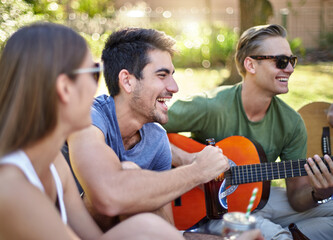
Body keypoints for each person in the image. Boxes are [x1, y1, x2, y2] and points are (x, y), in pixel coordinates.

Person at [0, 22, 186, 240]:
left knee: (145, 228)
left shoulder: (53, 165)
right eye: (95, 73)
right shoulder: (11, 188)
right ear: (64, 88)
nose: (100, 91)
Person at [163, 24, 333, 240]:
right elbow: (141, 124)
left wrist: (319, 193)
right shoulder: (210, 106)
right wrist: (188, 160)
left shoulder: (291, 123)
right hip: (211, 208)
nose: (289, 69)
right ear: (250, 64)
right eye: (281, 61)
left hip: (257, 198)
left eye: (292, 61)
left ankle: (290, 233)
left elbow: (296, 197)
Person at [64, 27, 230, 232]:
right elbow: (108, 195)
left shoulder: (157, 138)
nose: (174, 87)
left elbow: (165, 228)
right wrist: (197, 170)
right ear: (127, 81)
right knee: (130, 173)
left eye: (172, 75)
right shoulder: (88, 118)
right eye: (162, 75)